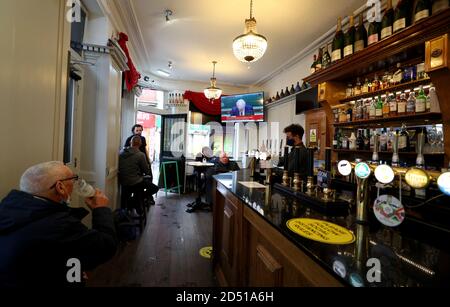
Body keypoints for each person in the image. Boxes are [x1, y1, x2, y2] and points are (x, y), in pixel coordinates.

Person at [0, 161, 117, 287]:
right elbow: (106, 245)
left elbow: (51, 252)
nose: (77, 183)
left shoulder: (8, 208)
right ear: (60, 187)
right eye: (74, 179)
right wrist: (101, 209)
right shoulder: (59, 224)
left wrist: (76, 270)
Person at [119, 136, 158, 207]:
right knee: (155, 188)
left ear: (130, 142)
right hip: (135, 182)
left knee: (139, 187)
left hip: (123, 182)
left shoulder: (121, 152)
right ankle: (135, 201)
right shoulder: (140, 155)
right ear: (140, 144)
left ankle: (133, 202)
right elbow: (146, 171)